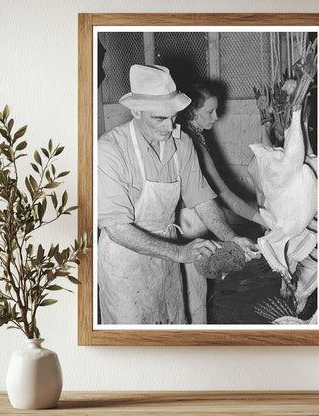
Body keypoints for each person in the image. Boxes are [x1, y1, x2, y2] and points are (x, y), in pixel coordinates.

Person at [97, 65, 258, 325]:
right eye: (158, 119)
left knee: (172, 327)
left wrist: (230, 237)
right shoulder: (110, 150)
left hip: (167, 258)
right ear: (136, 111)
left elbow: (203, 200)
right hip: (124, 264)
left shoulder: (182, 143)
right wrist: (181, 254)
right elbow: (116, 228)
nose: (168, 127)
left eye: (173, 117)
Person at [177, 83, 266, 324]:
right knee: (193, 297)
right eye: (209, 112)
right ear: (190, 112)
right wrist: (266, 220)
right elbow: (225, 196)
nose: (216, 118)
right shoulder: (191, 144)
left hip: (194, 224)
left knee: (194, 294)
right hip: (188, 227)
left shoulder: (195, 136)